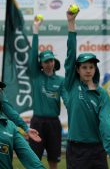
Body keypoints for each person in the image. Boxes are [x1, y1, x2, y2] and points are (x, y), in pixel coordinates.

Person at [64, 8, 110, 169]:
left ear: (95, 69)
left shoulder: (102, 94)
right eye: (84, 67)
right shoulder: (72, 84)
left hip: (97, 149)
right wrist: (71, 23)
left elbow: (105, 124)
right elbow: (70, 54)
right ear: (77, 70)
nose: (88, 70)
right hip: (76, 149)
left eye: (91, 67)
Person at [28, 16, 68, 169]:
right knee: (34, 157)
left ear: (54, 62)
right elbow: (33, 55)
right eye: (46, 61)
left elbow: (66, 97)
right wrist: (36, 30)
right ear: (41, 64)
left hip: (54, 122)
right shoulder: (36, 76)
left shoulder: (61, 80)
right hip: (37, 121)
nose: (49, 64)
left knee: (54, 158)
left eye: (51, 60)